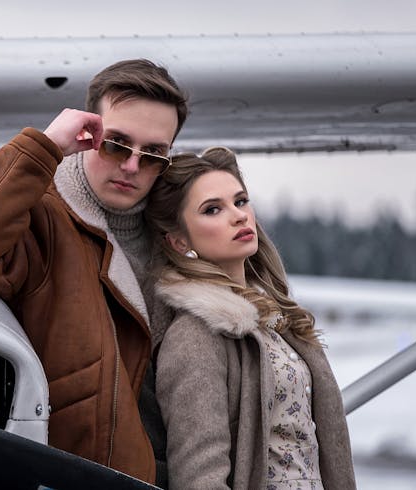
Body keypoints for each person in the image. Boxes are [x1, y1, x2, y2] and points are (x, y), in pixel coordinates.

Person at [0, 59, 188, 484]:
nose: (130, 167)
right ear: (88, 133)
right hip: (73, 476)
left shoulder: (177, 237)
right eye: (116, 144)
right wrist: (44, 147)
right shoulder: (40, 216)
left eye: (153, 155)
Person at [144, 147, 356, 489]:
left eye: (240, 201)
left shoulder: (274, 318)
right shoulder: (195, 335)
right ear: (179, 240)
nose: (239, 216)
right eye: (213, 209)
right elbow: (200, 478)